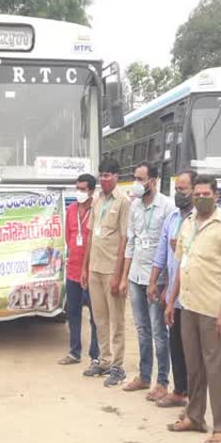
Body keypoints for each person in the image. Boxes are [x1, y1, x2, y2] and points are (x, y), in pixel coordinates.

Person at [165, 174, 221, 443]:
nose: (200, 198)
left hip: (212, 310)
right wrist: (171, 302)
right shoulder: (187, 224)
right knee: (194, 366)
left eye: (206, 194)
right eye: (197, 194)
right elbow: (181, 266)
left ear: (216, 195)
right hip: (188, 306)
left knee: (217, 370)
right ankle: (195, 416)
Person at [121, 162, 175, 395]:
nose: (137, 183)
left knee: (158, 331)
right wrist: (124, 276)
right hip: (136, 275)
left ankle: (162, 382)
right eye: (135, 178)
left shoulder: (167, 207)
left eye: (141, 179)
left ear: (153, 181)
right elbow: (130, 242)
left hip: (158, 278)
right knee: (142, 328)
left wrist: (168, 285)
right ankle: (144, 376)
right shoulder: (134, 207)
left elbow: (171, 250)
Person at [148, 169, 196, 408]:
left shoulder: (201, 220)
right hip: (173, 295)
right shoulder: (172, 219)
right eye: (177, 189)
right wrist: (153, 281)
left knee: (192, 347)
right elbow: (160, 253)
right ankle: (179, 391)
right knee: (175, 343)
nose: (179, 194)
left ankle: (193, 396)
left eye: (183, 189)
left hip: (194, 296)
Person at [81, 159, 130, 387]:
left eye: (108, 175)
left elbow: (124, 238)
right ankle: (104, 359)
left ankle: (118, 366)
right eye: (101, 175)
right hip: (94, 269)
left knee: (116, 320)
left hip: (112, 270)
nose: (103, 179)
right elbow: (91, 235)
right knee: (99, 318)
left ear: (117, 177)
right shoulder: (98, 200)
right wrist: (84, 267)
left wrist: (119, 275)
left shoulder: (124, 202)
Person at [57, 173, 99, 366]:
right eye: (78, 188)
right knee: (73, 312)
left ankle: (96, 354)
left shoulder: (97, 209)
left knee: (95, 314)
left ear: (91, 190)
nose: (79, 192)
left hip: (92, 270)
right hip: (73, 269)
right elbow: (68, 237)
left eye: (82, 189)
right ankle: (74, 352)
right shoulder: (72, 208)